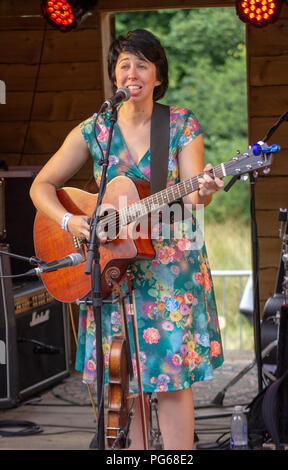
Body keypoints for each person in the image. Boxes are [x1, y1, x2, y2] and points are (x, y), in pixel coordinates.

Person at [30, 29, 224, 450]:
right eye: (124, 65)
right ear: (114, 77)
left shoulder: (179, 124)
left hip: (170, 267)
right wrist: (69, 222)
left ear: (158, 76)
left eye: (142, 64)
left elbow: (192, 196)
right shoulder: (95, 129)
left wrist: (204, 189)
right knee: (124, 380)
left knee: (172, 380)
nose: (132, 73)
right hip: (112, 269)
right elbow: (42, 185)